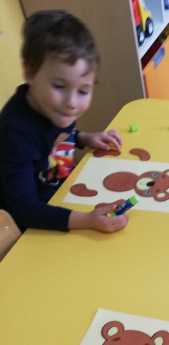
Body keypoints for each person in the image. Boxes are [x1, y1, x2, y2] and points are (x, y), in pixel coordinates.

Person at [0, 10, 128, 234]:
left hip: (64, 194)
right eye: (59, 86)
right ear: (30, 73)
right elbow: (23, 209)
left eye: (83, 90)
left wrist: (83, 137)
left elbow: (53, 136)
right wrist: (86, 220)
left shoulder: (52, 108)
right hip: (33, 226)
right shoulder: (14, 131)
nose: (71, 103)